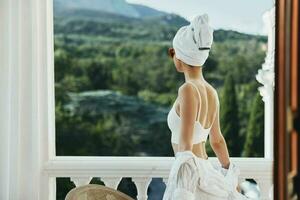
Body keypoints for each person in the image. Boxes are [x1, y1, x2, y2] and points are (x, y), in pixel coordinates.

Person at [162, 14, 249, 200]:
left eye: (173, 53)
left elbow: (185, 148)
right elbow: (217, 141)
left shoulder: (187, 90)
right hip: (206, 170)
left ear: (180, 56)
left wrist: (182, 192)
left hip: (192, 178)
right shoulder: (211, 92)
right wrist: (231, 177)